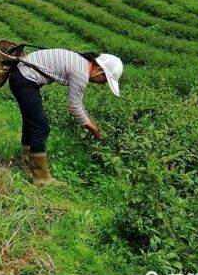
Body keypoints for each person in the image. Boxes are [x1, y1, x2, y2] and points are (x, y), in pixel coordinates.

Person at [9, 50, 123, 186]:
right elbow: (74, 107)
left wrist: (92, 124)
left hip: (21, 77)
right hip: (25, 81)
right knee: (41, 127)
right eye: (104, 79)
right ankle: (41, 179)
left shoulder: (81, 62)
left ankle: (28, 166)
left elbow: (79, 105)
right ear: (99, 69)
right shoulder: (81, 73)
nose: (101, 83)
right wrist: (93, 129)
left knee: (31, 123)